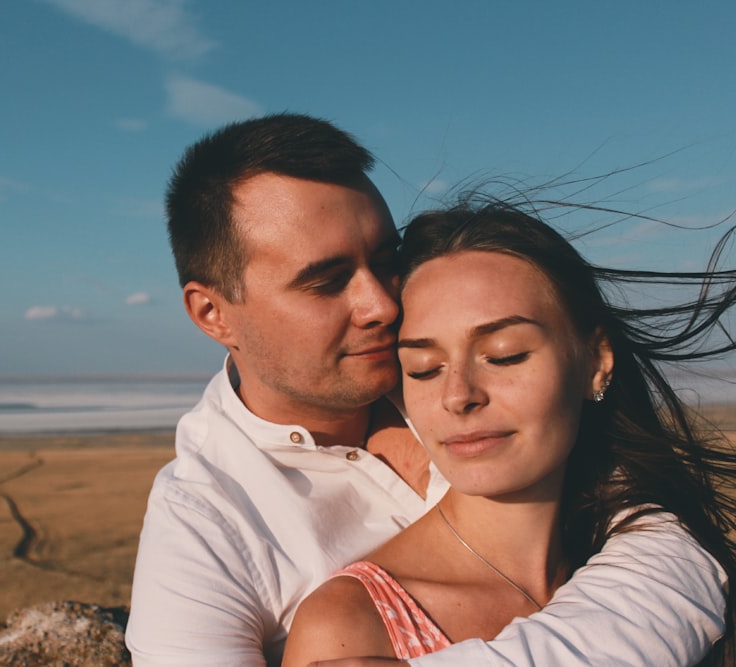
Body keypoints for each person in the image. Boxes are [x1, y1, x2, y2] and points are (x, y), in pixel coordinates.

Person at [125, 112, 729, 666]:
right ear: (212, 314)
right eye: (329, 281)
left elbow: (667, 543)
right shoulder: (204, 519)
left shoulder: (446, 369)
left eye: (386, 260)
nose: (383, 304)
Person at [282, 200, 736, 666]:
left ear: (597, 360)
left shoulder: (654, 566)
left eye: (504, 355)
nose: (459, 395)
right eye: (424, 368)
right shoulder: (350, 627)